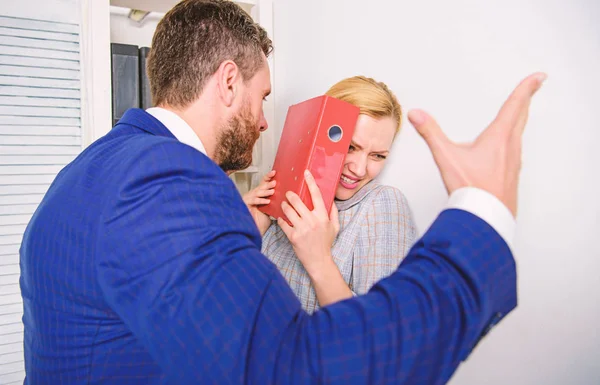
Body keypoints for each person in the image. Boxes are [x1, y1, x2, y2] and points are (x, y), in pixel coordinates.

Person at [18, 0, 546, 384]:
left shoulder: (91, 166)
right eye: (262, 95)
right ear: (228, 82)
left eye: (378, 155)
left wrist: (236, 234)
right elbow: (293, 366)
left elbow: (171, 307)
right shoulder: (169, 180)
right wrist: (482, 211)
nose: (265, 122)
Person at [243, 76, 418, 313]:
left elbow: (383, 330)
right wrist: (245, 231)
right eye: (350, 147)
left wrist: (319, 259)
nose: (359, 168)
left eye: (378, 155)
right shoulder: (285, 194)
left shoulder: (383, 204)